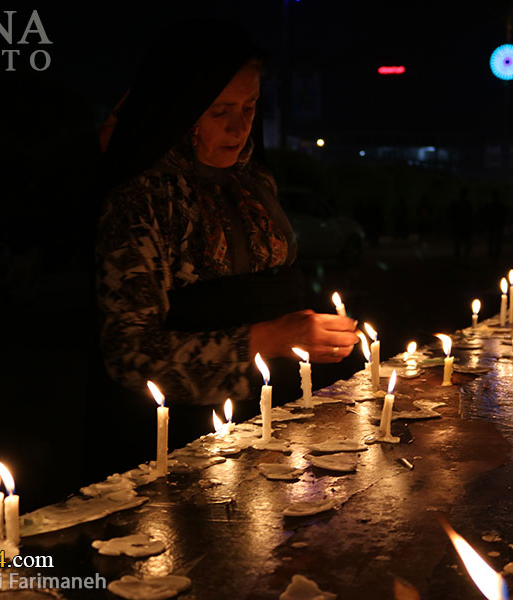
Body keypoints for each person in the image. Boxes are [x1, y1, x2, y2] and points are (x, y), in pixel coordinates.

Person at [91, 21, 358, 470]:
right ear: (181, 110)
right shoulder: (144, 198)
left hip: (275, 412)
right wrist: (269, 338)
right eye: (219, 112)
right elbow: (131, 354)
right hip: (190, 440)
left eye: (250, 107)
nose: (239, 127)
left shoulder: (253, 179)